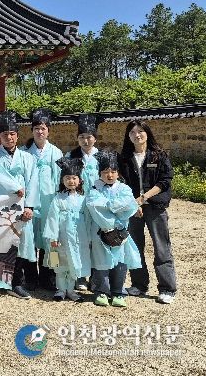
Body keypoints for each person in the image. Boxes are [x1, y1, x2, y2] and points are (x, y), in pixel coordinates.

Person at [118, 120, 177, 305]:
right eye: (132, 132)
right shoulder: (124, 158)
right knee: (135, 247)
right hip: (133, 209)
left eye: (140, 131)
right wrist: (133, 204)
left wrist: (143, 198)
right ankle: (139, 285)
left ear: (147, 133)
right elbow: (122, 184)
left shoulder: (159, 156)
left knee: (161, 247)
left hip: (155, 207)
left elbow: (165, 180)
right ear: (128, 136)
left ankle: (167, 288)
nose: (137, 135)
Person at [0, 110, 39, 300]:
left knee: (20, 245)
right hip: (2, 206)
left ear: (17, 135)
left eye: (12, 134)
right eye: (5, 134)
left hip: (22, 206)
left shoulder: (27, 157)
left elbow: (33, 182)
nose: (9, 137)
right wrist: (15, 187)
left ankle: (16, 283)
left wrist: (30, 206)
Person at [84, 150, 141, 308]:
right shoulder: (94, 189)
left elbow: (129, 205)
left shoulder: (124, 188)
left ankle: (118, 292)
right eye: (105, 172)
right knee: (100, 261)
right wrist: (114, 211)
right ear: (100, 173)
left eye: (113, 171)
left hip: (120, 232)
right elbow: (95, 207)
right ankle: (101, 291)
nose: (109, 175)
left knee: (119, 261)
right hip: (100, 231)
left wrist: (109, 206)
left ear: (118, 173)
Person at [21, 109, 63, 291]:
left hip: (49, 202)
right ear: (32, 131)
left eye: (43, 128)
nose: (40, 132)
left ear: (48, 131)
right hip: (30, 203)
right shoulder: (24, 152)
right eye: (36, 128)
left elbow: (60, 179)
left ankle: (51, 276)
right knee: (29, 239)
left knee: (51, 239)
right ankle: (30, 277)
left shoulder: (56, 152)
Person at [43, 158, 90, 302]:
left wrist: (88, 237)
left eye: (74, 178)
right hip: (61, 238)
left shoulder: (83, 199)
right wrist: (53, 237)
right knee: (59, 263)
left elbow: (88, 220)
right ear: (62, 180)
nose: (71, 181)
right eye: (67, 178)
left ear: (80, 180)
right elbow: (52, 218)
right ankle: (61, 289)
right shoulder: (58, 198)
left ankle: (71, 290)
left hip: (78, 237)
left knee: (73, 262)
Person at [66, 113, 104, 291]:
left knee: (97, 241)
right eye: (81, 137)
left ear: (95, 138)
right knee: (79, 240)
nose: (85, 140)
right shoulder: (71, 155)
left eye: (89, 137)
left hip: (98, 205)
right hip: (77, 204)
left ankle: (97, 278)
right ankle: (80, 276)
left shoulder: (103, 156)